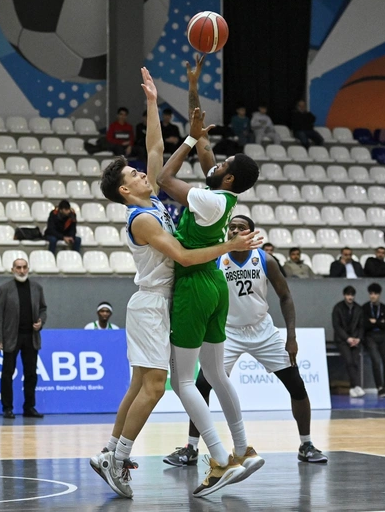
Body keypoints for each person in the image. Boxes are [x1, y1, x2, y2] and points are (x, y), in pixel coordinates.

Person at [91, 66, 262, 499]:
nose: (140, 173)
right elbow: (184, 256)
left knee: (139, 384)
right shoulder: (145, 217)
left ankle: (110, 450)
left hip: (164, 300)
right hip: (152, 302)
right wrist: (229, 246)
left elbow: (154, 146)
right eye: (132, 175)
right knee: (153, 386)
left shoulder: (152, 202)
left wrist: (152, 102)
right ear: (126, 192)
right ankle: (120, 459)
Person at [157, 55, 264, 497]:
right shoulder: (221, 196)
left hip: (196, 284)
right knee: (217, 376)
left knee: (183, 381)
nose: (214, 160)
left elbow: (164, 177)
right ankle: (245, 449)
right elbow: (202, 140)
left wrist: (186, 139)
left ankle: (218, 459)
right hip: (217, 286)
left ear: (229, 175)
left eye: (222, 161)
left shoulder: (206, 198)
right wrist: (194, 88)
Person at [164, 215, 328, 467]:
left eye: (242, 227)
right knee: (201, 385)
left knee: (296, 385)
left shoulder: (266, 260)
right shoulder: (217, 258)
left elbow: (285, 297)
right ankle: (191, 448)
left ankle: (306, 444)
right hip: (228, 331)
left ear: (251, 234)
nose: (235, 230)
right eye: (232, 227)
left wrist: (291, 336)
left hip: (263, 330)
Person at [0, 257, 47, 420]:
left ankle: (29, 407)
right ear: (13, 269)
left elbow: (43, 309)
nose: (21, 270)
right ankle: (7, 408)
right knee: (7, 373)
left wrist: (41, 322)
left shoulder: (37, 288)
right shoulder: (5, 288)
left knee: (31, 374)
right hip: (11, 337)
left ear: (28, 268)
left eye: (24, 267)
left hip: (31, 337)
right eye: (18, 267)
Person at [332, 286, 365, 397]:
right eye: (348, 295)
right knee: (349, 361)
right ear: (344, 295)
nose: (350, 297)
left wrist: (358, 338)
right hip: (342, 340)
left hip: (355, 340)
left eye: (352, 295)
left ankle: (354, 387)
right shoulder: (338, 308)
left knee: (355, 361)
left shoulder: (359, 309)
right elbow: (337, 326)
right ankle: (355, 386)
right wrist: (347, 338)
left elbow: (361, 326)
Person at [362, 283, 385, 398]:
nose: (373, 296)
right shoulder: (365, 308)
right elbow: (364, 325)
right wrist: (380, 322)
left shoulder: (384, 308)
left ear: (379, 295)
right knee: (376, 361)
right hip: (370, 336)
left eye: (375, 294)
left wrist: (374, 322)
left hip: (382, 336)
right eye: (371, 294)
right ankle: (379, 387)